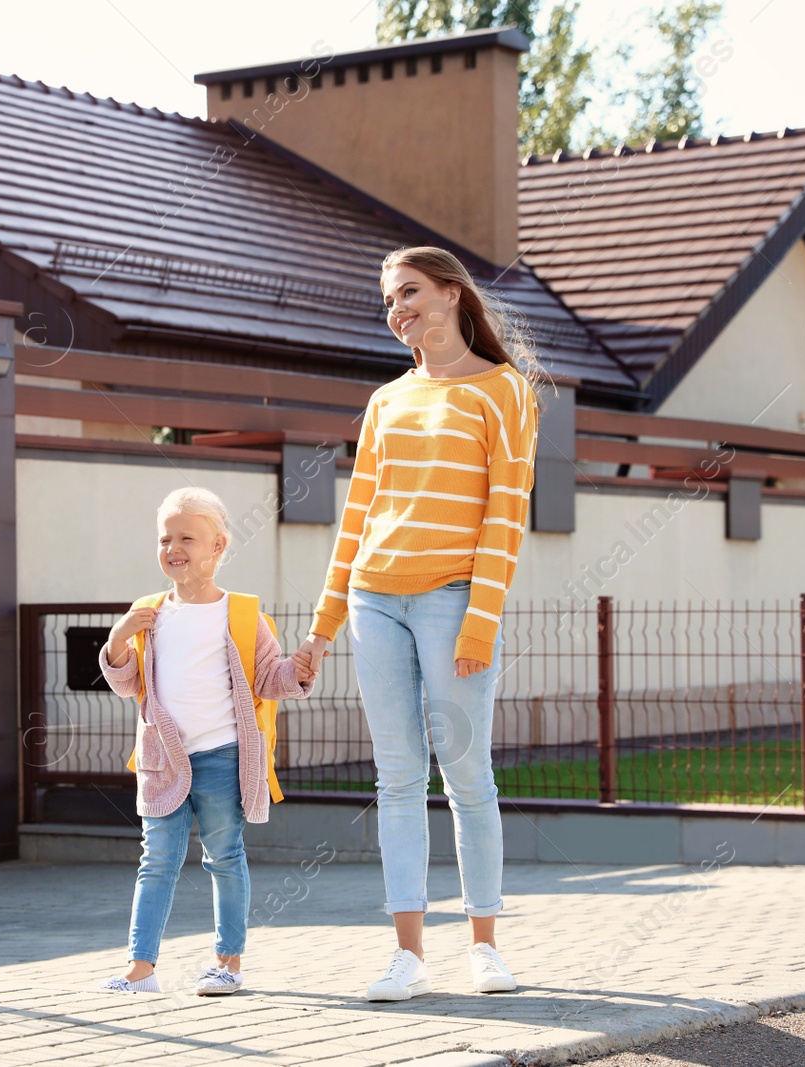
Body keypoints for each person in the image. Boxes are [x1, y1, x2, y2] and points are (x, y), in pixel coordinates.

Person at [293, 246, 540, 1002]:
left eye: (409, 291)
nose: (397, 307)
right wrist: (322, 628)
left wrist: (480, 621)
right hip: (374, 599)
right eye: (388, 298)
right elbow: (356, 518)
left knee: (468, 775)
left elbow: (507, 515)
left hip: (452, 599)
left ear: (451, 294)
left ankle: (486, 945)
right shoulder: (386, 401)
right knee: (397, 778)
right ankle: (407, 956)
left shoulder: (505, 392)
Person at [97, 487, 317, 996]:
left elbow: (268, 678)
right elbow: (130, 683)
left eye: (187, 538)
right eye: (165, 538)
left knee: (224, 854)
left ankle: (227, 963)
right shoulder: (148, 614)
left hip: (223, 756)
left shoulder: (242, 615)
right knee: (156, 859)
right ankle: (141, 968)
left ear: (218, 545)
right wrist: (117, 636)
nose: (174, 546)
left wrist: (299, 669)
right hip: (162, 759)